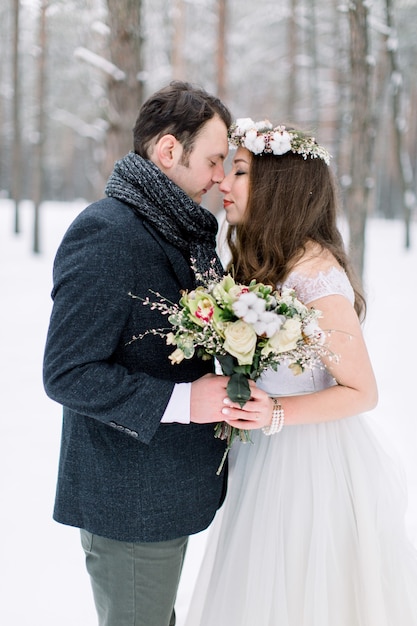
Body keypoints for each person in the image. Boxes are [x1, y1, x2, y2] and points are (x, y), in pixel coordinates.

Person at [42, 86, 270, 626]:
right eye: (215, 160)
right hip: (130, 504)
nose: (221, 177)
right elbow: (67, 373)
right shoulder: (108, 231)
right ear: (169, 152)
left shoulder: (177, 228)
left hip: (162, 495)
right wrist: (185, 400)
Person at [185, 118, 417, 626]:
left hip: (310, 469)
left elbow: (363, 391)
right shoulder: (261, 262)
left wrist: (276, 413)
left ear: (278, 186)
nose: (223, 182)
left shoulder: (315, 276)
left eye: (239, 171)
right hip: (263, 463)